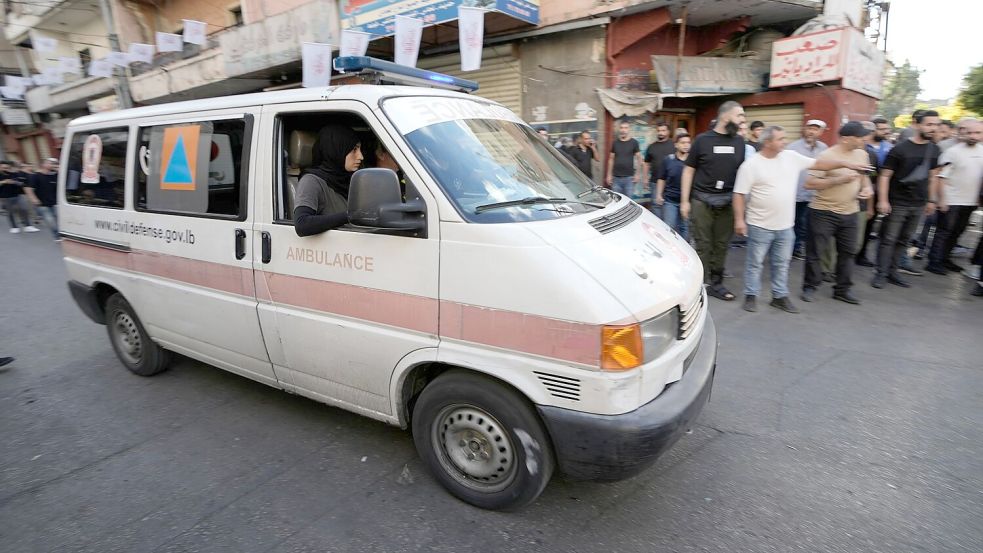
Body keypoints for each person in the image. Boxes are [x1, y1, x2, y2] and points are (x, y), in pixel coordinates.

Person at [733, 125, 871, 314]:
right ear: (767, 142)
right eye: (780, 139)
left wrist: (848, 164)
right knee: (755, 263)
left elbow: (820, 164)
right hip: (760, 225)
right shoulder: (751, 165)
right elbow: (739, 194)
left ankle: (779, 296)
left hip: (785, 225)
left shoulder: (790, 157)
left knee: (782, 263)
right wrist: (739, 220)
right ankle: (751, 295)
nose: (785, 142)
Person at [800, 122, 875, 305]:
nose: (863, 139)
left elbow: (864, 178)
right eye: (859, 136)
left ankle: (842, 290)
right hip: (823, 212)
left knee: (848, 252)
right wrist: (840, 179)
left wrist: (867, 190)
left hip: (850, 212)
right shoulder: (826, 156)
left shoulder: (862, 154)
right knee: (815, 253)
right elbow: (809, 184)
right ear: (846, 138)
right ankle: (810, 286)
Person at [680, 100, 747, 301]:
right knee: (703, 244)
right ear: (726, 116)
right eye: (740, 116)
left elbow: (742, 174)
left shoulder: (739, 143)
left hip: (727, 203)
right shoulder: (702, 140)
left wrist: (740, 211)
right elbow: (689, 170)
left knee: (721, 245)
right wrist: (685, 201)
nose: (743, 120)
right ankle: (699, 284)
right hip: (702, 201)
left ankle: (716, 284)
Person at [872, 110, 942, 289]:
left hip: (918, 204)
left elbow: (934, 177)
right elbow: (885, 176)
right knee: (888, 238)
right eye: (929, 124)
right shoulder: (900, 149)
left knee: (904, 239)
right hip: (897, 202)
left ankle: (893, 272)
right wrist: (883, 200)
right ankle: (881, 273)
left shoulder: (934, 149)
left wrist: (931, 200)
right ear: (917, 125)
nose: (933, 128)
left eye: (936, 124)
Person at [925, 119, 982, 275]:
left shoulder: (982, 151)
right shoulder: (953, 152)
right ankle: (934, 261)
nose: (973, 136)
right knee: (944, 231)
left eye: (977, 133)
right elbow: (940, 177)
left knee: (958, 231)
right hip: (951, 200)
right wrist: (941, 199)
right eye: (970, 132)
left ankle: (945, 258)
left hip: (970, 201)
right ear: (963, 133)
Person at [293, 125, 363, 237]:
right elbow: (302, 224)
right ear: (336, 149)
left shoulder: (350, 179)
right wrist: (350, 216)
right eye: (354, 149)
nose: (360, 156)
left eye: (360, 149)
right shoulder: (311, 181)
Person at [787, 120, 829, 259]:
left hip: (814, 194)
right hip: (795, 192)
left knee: (808, 223)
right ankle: (791, 248)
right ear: (804, 130)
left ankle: (798, 247)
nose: (812, 131)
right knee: (794, 221)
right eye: (810, 128)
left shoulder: (824, 148)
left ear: (821, 132)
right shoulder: (793, 147)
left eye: (816, 129)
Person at [653, 133, 690, 240]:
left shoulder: (692, 162)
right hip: (670, 201)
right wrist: (659, 194)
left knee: (685, 229)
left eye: (688, 142)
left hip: (686, 202)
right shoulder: (668, 160)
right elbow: (662, 178)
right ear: (676, 145)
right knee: (669, 228)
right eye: (683, 143)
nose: (686, 145)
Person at [606, 121, 642, 196]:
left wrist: (637, 174)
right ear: (619, 129)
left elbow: (639, 158)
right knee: (616, 200)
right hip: (616, 178)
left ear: (629, 130)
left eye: (626, 128)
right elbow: (611, 159)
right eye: (621, 128)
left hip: (629, 179)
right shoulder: (615, 143)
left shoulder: (634, 142)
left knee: (628, 201)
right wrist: (609, 175)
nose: (623, 130)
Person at [26, 158, 59, 239]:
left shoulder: (53, 175)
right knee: (51, 221)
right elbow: (29, 189)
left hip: (54, 202)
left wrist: (58, 170)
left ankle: (61, 234)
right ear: (43, 165)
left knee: (59, 220)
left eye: (52, 163)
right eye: (49, 163)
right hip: (42, 204)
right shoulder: (35, 176)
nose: (52, 165)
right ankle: (57, 236)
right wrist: (34, 199)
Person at [1, 161, 37, 233]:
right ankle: (14, 227)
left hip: (18, 194)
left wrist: (15, 182)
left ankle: (28, 226)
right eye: (4, 167)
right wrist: (4, 182)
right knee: (10, 212)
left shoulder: (14, 174)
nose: (6, 169)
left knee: (24, 209)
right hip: (5, 197)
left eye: (7, 167)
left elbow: (21, 183)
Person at [644, 122, 674, 201]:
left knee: (670, 205)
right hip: (655, 182)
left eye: (663, 130)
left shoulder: (674, 145)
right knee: (656, 205)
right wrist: (645, 178)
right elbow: (646, 163)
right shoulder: (651, 146)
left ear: (668, 132)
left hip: (671, 183)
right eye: (659, 131)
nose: (660, 133)